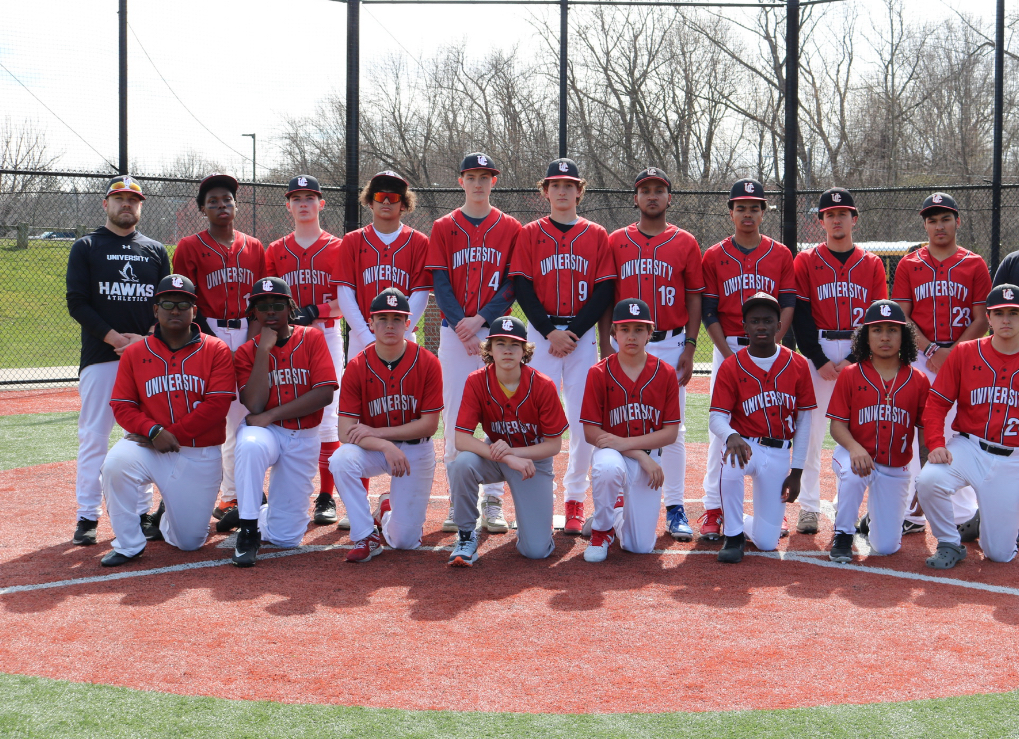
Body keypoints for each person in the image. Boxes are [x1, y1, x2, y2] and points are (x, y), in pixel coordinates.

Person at [509, 157, 615, 535]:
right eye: (555, 184)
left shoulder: (597, 233)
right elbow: (522, 285)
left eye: (569, 185)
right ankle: (537, 495)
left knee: (585, 420)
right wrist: (549, 330)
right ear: (545, 191)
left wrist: (572, 332)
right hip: (540, 336)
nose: (562, 190)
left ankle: (574, 499)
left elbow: (604, 289)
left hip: (581, 337)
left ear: (579, 192)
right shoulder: (529, 232)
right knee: (536, 416)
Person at [100, 275, 235, 566]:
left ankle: (167, 519)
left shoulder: (216, 349)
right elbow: (121, 405)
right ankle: (128, 544)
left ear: (194, 312)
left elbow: (217, 404)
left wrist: (168, 434)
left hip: (198, 453)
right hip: (148, 446)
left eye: (183, 305)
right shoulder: (136, 352)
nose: (175, 310)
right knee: (115, 464)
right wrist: (153, 430)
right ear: (155, 310)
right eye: (168, 304)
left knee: (189, 543)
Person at [65, 175, 169, 546]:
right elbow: (77, 302)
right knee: (94, 436)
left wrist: (146, 340)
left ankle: (140, 512)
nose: (127, 204)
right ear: (106, 204)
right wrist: (114, 339)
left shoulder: (155, 250)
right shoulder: (86, 246)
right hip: (100, 357)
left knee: (140, 435)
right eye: (119, 198)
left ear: (140, 207)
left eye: (133, 200)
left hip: (146, 357)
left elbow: (167, 304)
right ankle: (87, 515)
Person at [605, 167, 703, 541]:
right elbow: (607, 297)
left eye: (659, 190)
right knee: (619, 421)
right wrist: (604, 345)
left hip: (670, 342)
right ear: (635, 197)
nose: (652, 196)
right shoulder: (616, 240)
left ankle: (675, 506)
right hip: (624, 343)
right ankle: (614, 501)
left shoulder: (685, 242)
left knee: (672, 430)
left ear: (669, 197)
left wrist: (691, 346)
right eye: (645, 189)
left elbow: (694, 297)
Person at [426, 153, 521, 534]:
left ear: (494, 182)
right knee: (454, 416)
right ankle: (457, 498)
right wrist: (461, 325)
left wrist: (480, 321)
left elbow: (512, 283)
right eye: (472, 176)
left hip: (495, 333)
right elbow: (440, 280)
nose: (479, 183)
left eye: (486, 177)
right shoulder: (444, 226)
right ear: (461, 181)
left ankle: (494, 499)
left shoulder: (510, 227)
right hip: (454, 333)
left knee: (499, 414)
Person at [698, 178, 797, 542]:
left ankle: (773, 510)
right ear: (731, 212)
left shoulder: (781, 254)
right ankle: (714, 509)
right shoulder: (713, 255)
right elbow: (709, 311)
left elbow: (787, 305)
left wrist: (773, 345)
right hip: (730, 351)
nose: (748, 213)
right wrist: (728, 356)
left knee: (773, 427)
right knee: (721, 435)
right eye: (741, 207)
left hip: (769, 351)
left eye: (755, 207)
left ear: (762, 212)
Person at [891, 192, 990, 538]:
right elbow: (902, 315)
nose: (939, 225)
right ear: (925, 225)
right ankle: (910, 513)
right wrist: (932, 348)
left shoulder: (974, 263)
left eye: (945, 218)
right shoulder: (909, 264)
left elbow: (982, 318)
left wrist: (954, 353)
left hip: (964, 355)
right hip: (919, 354)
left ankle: (963, 515)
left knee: (958, 433)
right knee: (911, 429)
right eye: (932, 220)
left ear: (957, 221)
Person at [171, 173, 265, 525]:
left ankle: (235, 497)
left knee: (241, 417)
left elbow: (259, 300)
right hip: (207, 335)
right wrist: (204, 341)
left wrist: (252, 340)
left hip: (245, 331)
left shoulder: (254, 247)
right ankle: (189, 495)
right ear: (202, 210)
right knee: (208, 415)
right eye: (213, 201)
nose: (221, 205)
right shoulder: (189, 247)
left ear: (236, 206)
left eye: (227, 199)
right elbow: (184, 301)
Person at [792, 188, 887, 535]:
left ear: (854, 220)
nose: (836, 219)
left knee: (867, 430)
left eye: (843, 213)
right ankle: (809, 507)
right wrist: (817, 358)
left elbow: (877, 319)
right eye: (829, 214)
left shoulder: (872, 263)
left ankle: (874, 509)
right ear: (821, 221)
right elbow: (801, 314)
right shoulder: (805, 260)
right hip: (819, 348)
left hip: (860, 351)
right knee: (812, 432)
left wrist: (854, 356)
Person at [231, 277, 339, 567]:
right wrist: (263, 351)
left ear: (290, 307)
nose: (270, 312)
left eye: (277, 305)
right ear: (253, 312)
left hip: (303, 435)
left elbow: (325, 394)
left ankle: (259, 509)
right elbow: (253, 405)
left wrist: (272, 414)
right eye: (262, 306)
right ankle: (248, 529)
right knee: (250, 445)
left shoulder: (312, 337)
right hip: (267, 434)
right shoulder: (245, 352)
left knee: (286, 537)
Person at [329, 288, 443, 563]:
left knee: (405, 543)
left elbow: (428, 426)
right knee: (341, 459)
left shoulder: (428, 362)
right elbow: (345, 432)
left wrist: (379, 433)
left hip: (416, 450)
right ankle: (365, 534)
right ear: (371, 323)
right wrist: (384, 445)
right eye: (382, 318)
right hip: (375, 449)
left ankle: (386, 510)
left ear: (408, 323)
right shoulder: (356, 366)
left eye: (397, 318)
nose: (389, 325)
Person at [447, 316, 568, 566]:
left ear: (525, 350)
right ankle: (467, 535)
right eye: (500, 343)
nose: (507, 350)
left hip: (533, 461)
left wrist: (514, 453)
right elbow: (461, 439)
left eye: (514, 344)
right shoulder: (476, 380)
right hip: (497, 455)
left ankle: (534, 527)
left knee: (536, 551)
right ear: (489, 349)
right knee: (461, 464)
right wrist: (509, 457)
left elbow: (554, 445)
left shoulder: (543, 385)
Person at [915, 284, 1019, 569]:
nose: (1006, 320)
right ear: (989, 317)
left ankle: (1000, 518)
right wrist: (935, 444)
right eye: (999, 313)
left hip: (1013, 460)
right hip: (969, 447)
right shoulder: (965, 353)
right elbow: (936, 403)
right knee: (929, 480)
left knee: (997, 554)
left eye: (1014, 313)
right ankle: (949, 542)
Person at [265, 174, 348, 527]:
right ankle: (281, 491)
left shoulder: (338, 246)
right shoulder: (275, 250)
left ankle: (326, 496)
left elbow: (348, 301)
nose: (303, 204)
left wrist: (317, 310)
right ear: (288, 205)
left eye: (309, 198)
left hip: (325, 335)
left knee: (329, 418)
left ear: (321, 204)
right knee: (281, 407)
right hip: (284, 340)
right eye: (296, 198)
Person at [708, 292, 815, 563]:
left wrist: (797, 472)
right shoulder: (732, 365)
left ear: (780, 326)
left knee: (767, 543)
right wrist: (730, 435)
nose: (761, 327)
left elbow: (804, 422)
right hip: (745, 445)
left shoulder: (798, 364)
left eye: (768, 321)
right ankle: (733, 536)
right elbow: (716, 417)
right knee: (731, 465)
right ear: (744, 326)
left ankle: (740, 521)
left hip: (779, 453)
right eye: (754, 321)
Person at [826, 300, 929, 562]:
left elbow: (925, 430)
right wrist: (854, 447)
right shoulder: (851, 374)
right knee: (853, 472)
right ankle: (843, 535)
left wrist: (926, 476)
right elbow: (837, 425)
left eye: (893, 330)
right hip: (855, 455)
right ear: (866, 337)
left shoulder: (918, 380)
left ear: (903, 336)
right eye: (877, 330)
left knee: (885, 548)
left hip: (895, 466)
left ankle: (872, 517)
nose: (885, 336)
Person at [580, 299, 681, 562]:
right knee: (607, 469)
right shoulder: (598, 372)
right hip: (612, 454)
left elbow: (670, 433)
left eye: (639, 329)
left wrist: (631, 449)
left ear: (650, 333)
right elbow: (591, 432)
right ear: (613, 333)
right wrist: (639, 454)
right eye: (625, 329)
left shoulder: (666, 372)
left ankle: (614, 514)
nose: (631, 336)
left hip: (644, 457)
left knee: (640, 547)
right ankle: (601, 531)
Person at [331, 170, 431, 358]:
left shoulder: (419, 241)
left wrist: (402, 333)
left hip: (405, 337)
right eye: (380, 196)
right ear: (370, 201)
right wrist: (365, 336)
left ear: (403, 204)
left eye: (393, 197)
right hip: (361, 338)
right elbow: (345, 293)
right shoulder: (352, 240)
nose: (386, 202)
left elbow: (421, 293)